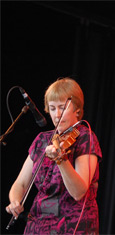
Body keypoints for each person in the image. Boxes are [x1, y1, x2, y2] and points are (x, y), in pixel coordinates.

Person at [6, 78, 102, 233]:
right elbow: (21, 183)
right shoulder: (42, 140)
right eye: (52, 108)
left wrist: (60, 159)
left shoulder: (85, 137)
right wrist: (15, 201)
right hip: (38, 225)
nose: (57, 115)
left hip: (73, 224)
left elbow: (78, 192)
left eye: (62, 108)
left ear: (76, 109)